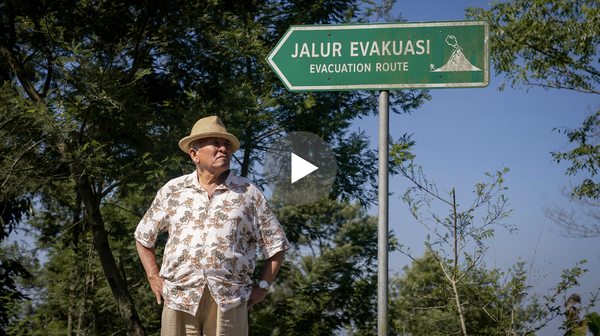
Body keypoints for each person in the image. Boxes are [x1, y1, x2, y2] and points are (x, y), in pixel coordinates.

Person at [135, 116, 290, 335]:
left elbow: (276, 244)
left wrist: (263, 286)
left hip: (229, 299)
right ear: (194, 154)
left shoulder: (248, 193)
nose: (223, 148)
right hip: (179, 297)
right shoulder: (173, 190)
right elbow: (143, 236)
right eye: (215, 143)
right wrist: (153, 276)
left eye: (226, 144)